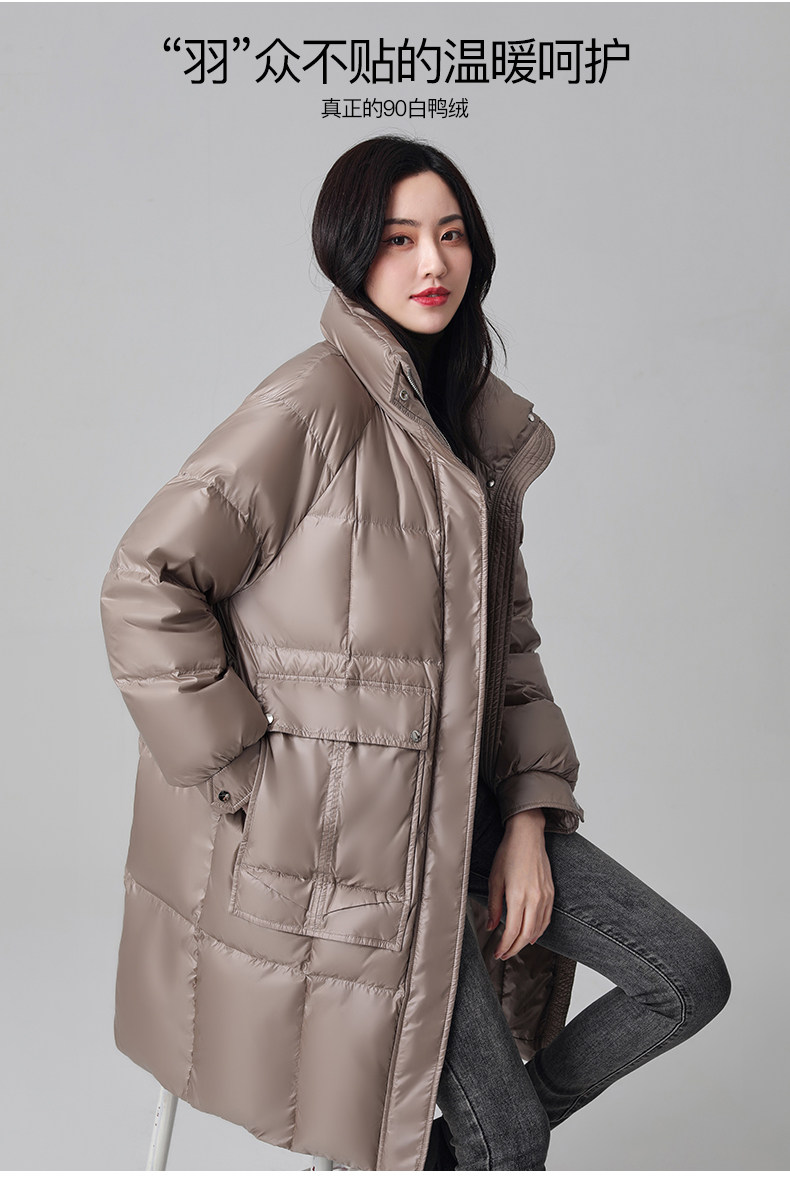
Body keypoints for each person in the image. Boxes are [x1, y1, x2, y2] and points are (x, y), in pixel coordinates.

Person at [100, 134, 731, 1173]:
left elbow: (507, 647)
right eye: (398, 240)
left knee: (684, 977)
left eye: (450, 234)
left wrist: (527, 819)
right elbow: (146, 583)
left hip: (462, 808)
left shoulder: (471, 425)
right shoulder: (311, 405)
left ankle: (446, 1150)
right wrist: (250, 774)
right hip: (347, 846)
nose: (432, 262)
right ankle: (479, 1142)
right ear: (350, 254)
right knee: (511, 1139)